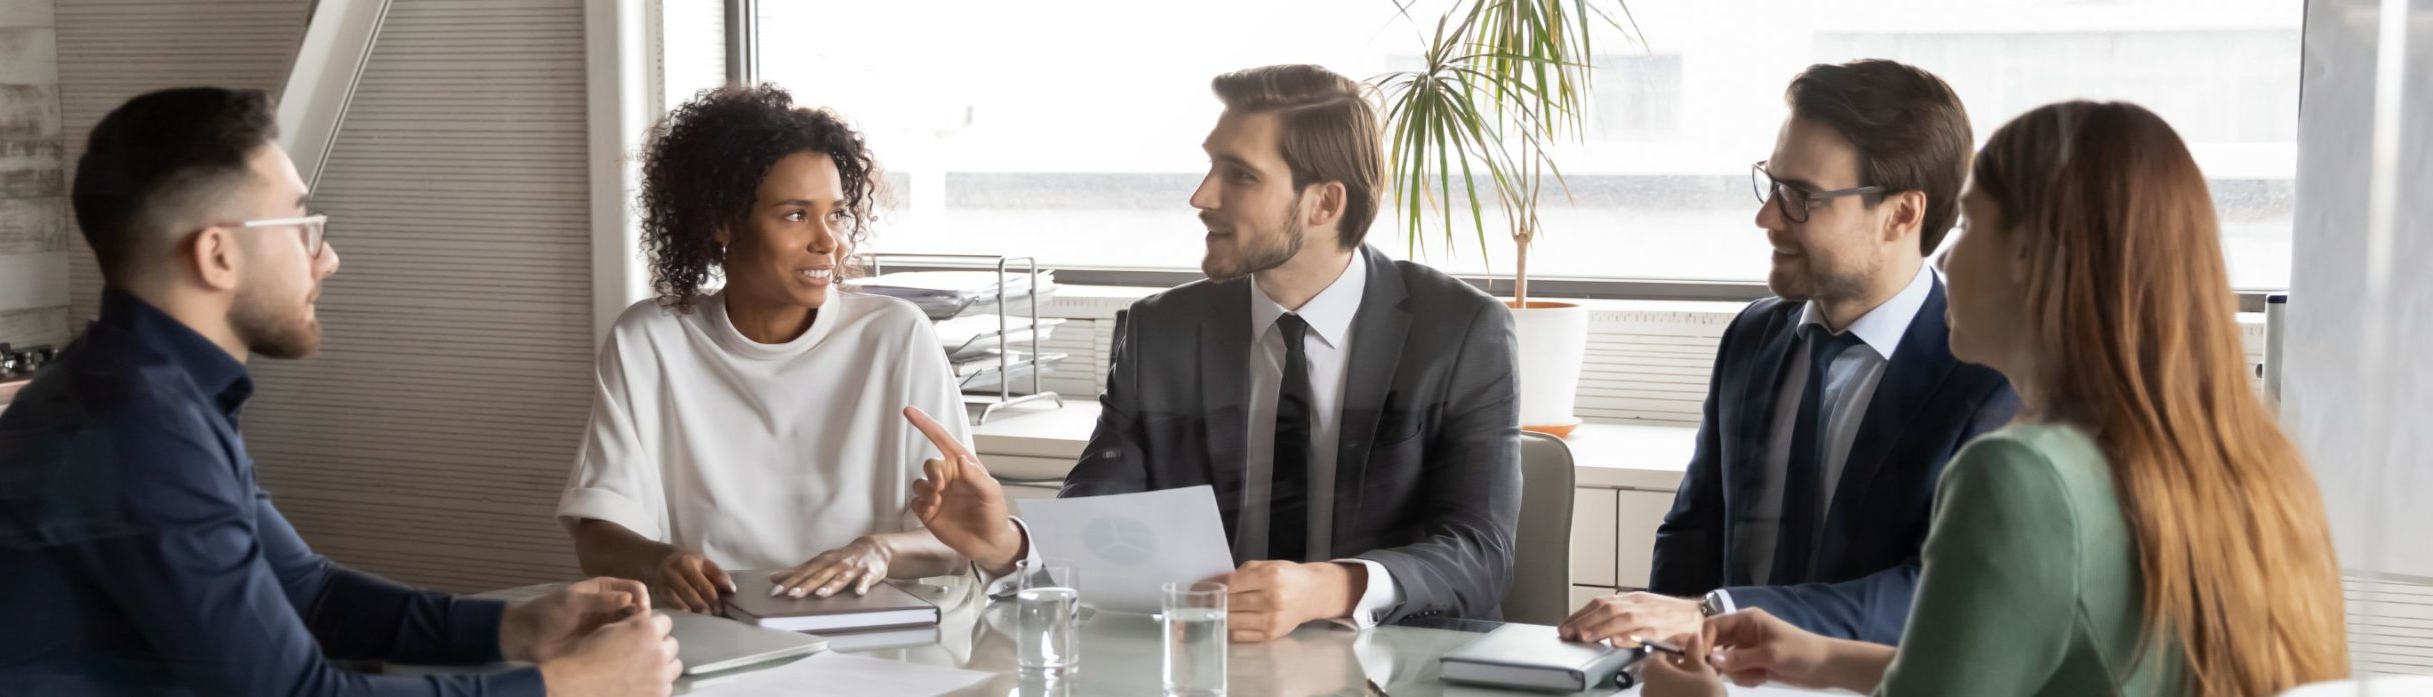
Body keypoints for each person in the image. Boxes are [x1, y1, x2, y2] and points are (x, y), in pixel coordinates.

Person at [0, 88, 680, 696]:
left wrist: (513, 628)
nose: (327, 257)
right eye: (304, 225)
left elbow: (308, 592)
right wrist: (563, 686)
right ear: (218, 254)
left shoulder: (150, 395)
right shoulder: (137, 429)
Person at [1639, 100, 2351, 697]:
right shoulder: (2260, 464)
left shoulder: (2021, 472)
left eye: (1974, 222)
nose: (1947, 254)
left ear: (2039, 262)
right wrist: (1822, 657)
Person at [905, 64, 1523, 643]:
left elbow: (1479, 553)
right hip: (1205, 659)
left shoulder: (1459, 331)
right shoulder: (1162, 329)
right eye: (1210, 167)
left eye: (1240, 175)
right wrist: (1009, 546)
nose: (1202, 196)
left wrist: (1330, 587)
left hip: (1394, 663)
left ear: (1325, 204)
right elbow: (1105, 509)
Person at [1565, 59, 2018, 647]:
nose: (1767, 217)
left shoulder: (1988, 376)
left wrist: (1717, 614)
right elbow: (1693, 532)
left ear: (1901, 215)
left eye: (1801, 196)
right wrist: (1656, 650)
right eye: (1772, 183)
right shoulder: (1753, 337)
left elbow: (1937, 590)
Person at [557, 84, 974, 613]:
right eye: (796, 215)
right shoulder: (650, 340)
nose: (828, 242)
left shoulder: (895, 335)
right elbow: (597, 534)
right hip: (715, 626)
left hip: (870, 626)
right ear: (722, 222)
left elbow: (961, 541)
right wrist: (660, 561)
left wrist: (879, 550)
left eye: (836, 214)